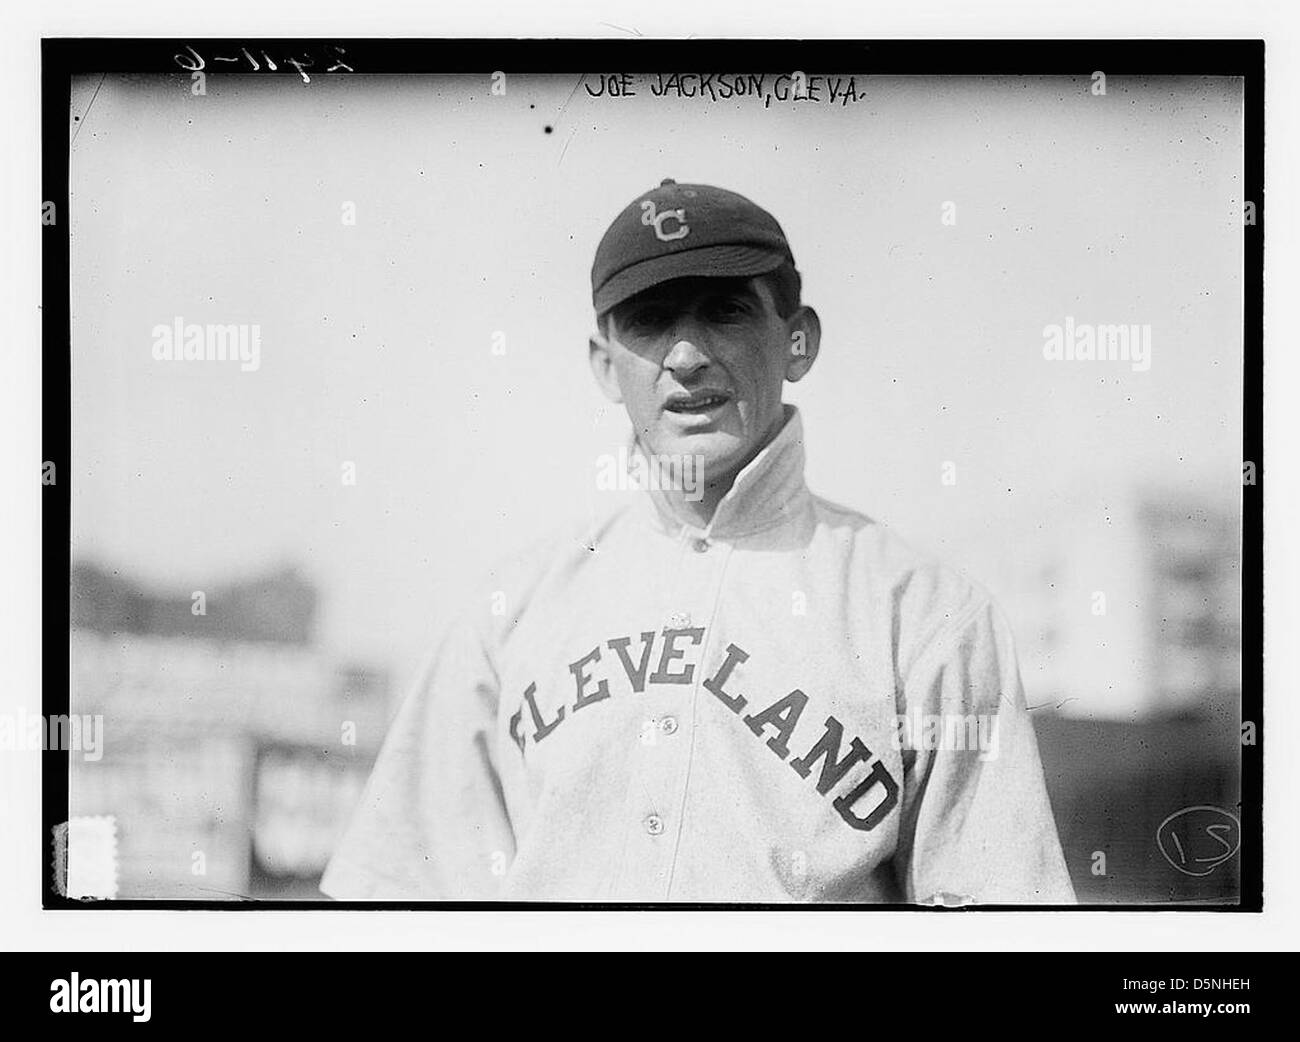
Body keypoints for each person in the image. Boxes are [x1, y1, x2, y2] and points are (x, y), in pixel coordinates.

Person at [321, 179, 1076, 904]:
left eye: (724, 311)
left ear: (799, 341)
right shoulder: (511, 610)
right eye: (649, 323)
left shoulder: (925, 616)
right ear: (604, 365)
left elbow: (998, 922)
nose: (685, 356)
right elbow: (402, 902)